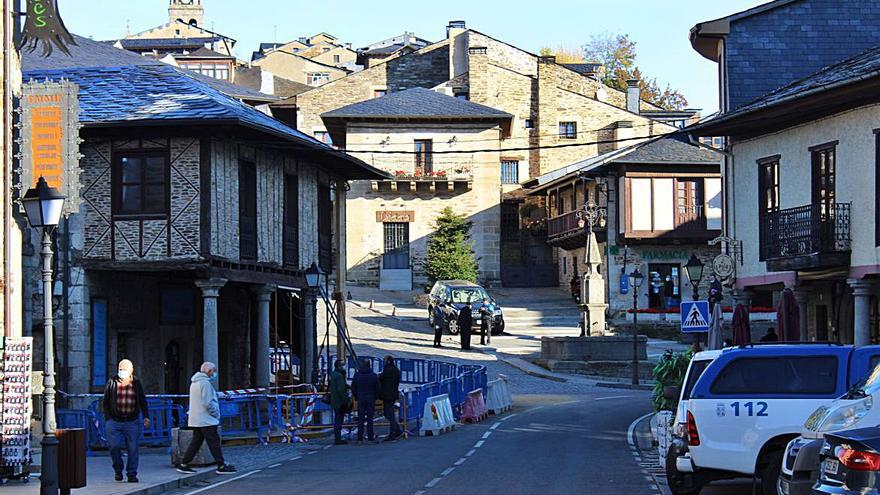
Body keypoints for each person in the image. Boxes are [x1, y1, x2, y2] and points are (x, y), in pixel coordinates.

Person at [176, 362, 236, 475]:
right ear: (209, 371)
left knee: (196, 442)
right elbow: (208, 402)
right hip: (206, 419)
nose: (214, 373)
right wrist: (216, 414)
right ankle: (221, 465)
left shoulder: (194, 382)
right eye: (213, 371)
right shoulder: (205, 383)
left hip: (197, 418)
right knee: (214, 442)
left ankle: (184, 463)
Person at [102, 359, 150, 483]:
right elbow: (105, 401)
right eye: (120, 369)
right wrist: (107, 417)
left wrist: (146, 416)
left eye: (124, 369)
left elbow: (142, 400)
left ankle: (132, 474)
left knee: (132, 448)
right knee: (114, 447)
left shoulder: (136, 383)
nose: (121, 371)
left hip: (131, 421)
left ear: (131, 371)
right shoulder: (112, 382)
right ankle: (118, 470)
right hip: (114, 420)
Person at [350, 358, 380, 444]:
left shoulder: (357, 375)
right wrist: (375, 397)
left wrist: (357, 396)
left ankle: (360, 438)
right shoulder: (373, 375)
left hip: (361, 398)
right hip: (370, 398)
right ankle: (370, 437)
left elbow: (353, 387)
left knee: (361, 419)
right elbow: (377, 388)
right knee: (370, 419)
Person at [379, 356, 402, 442]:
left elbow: (381, 378)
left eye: (384, 360)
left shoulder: (387, 370)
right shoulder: (396, 370)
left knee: (389, 414)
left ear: (388, 361)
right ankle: (397, 430)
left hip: (387, 395)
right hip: (393, 394)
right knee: (389, 413)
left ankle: (393, 433)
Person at [329, 359, 351, 445]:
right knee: (339, 419)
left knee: (337, 418)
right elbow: (340, 390)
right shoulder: (339, 376)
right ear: (339, 366)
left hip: (335, 400)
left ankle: (337, 437)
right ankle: (338, 438)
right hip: (339, 401)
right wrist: (346, 400)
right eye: (342, 365)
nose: (344, 367)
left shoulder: (334, 374)